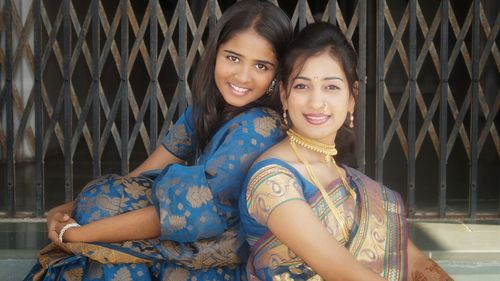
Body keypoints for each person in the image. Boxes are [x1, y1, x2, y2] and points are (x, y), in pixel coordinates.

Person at [25, 1, 293, 280]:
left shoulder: (260, 128)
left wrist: (78, 233)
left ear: (277, 74)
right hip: (181, 244)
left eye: (261, 66)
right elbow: (134, 181)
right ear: (215, 53)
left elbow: (184, 215)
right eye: (233, 58)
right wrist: (63, 212)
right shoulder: (209, 107)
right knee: (100, 207)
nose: (242, 76)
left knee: (103, 247)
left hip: (213, 261)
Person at [239, 22, 453, 281]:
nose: (316, 102)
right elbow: (346, 274)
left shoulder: (348, 180)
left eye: (331, 87)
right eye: (302, 86)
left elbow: (414, 260)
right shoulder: (272, 179)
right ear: (284, 95)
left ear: (352, 97)